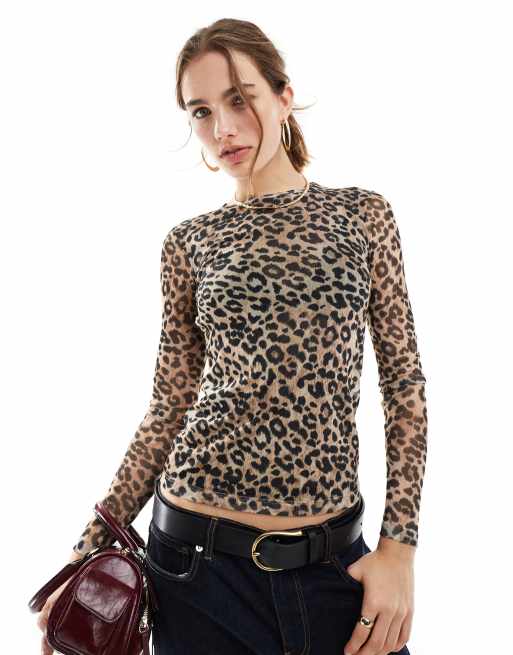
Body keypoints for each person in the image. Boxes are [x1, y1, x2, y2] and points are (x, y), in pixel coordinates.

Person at [38, 17, 428, 655]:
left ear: (283, 96)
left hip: (334, 566)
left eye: (239, 99)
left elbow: (404, 383)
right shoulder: (189, 242)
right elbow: (169, 405)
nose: (222, 128)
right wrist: (84, 556)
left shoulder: (363, 215)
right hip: (194, 572)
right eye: (200, 111)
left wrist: (400, 549)